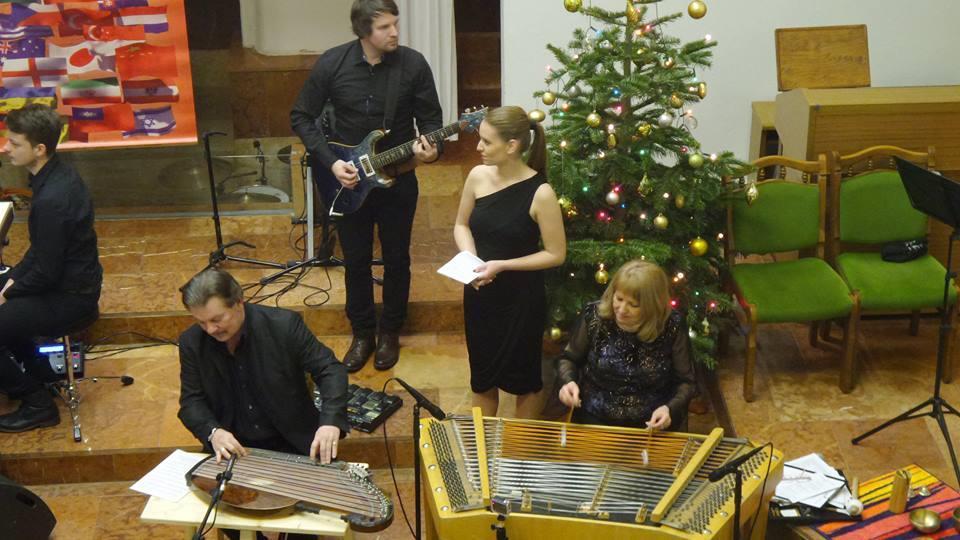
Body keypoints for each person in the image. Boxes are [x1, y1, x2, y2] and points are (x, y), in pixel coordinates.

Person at [291, 0, 443, 373]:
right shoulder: (333, 63)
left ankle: (390, 330)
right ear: (363, 32)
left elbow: (433, 124)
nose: (394, 32)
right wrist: (331, 162)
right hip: (348, 181)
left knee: (397, 258)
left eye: (396, 24)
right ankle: (362, 333)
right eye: (384, 27)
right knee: (355, 260)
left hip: (399, 179)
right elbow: (301, 115)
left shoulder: (413, 64)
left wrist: (432, 153)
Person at [453, 106, 566, 418]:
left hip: (520, 299)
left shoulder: (541, 193)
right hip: (479, 293)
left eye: (487, 142)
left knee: (524, 381)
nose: (478, 148)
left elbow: (556, 253)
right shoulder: (477, 176)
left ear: (512, 146)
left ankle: (516, 453)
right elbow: (461, 225)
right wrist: (471, 258)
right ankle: (483, 452)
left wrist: (502, 265)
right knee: (482, 376)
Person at [177, 268, 349, 471]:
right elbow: (191, 401)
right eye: (201, 322)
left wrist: (330, 421)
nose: (210, 330)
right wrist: (213, 432)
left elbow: (330, 370)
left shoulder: (284, 326)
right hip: (234, 448)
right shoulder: (192, 342)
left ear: (239, 303)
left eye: (216, 319)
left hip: (291, 442)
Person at [0, 104, 102, 433]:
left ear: (39, 149)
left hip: (70, 297)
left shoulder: (52, 199)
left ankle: (36, 402)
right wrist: (10, 279)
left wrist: (9, 292)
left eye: (14, 143)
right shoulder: (57, 174)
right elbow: (41, 252)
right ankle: (37, 371)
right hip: (67, 282)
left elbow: (47, 271)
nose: (5, 148)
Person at [555, 260, 696, 430]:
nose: (621, 309)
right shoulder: (594, 316)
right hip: (594, 418)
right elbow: (569, 358)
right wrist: (568, 382)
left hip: (651, 423)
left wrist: (669, 409)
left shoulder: (671, 324)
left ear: (652, 306)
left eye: (633, 305)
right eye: (619, 298)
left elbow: (686, 381)